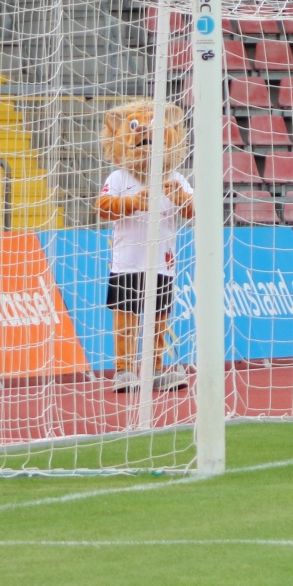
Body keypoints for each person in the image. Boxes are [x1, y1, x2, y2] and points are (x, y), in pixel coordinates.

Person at [95, 104, 194, 394]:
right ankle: (124, 369)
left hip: (163, 263)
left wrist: (180, 198)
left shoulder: (175, 179)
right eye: (137, 127)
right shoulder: (119, 178)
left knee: (158, 317)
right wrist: (132, 202)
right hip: (127, 261)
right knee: (126, 316)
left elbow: (193, 210)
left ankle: (154, 369)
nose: (146, 133)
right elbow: (101, 207)